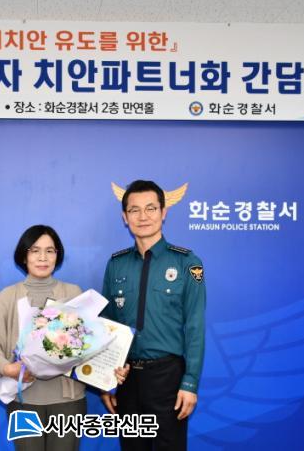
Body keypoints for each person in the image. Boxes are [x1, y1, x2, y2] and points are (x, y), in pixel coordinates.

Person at [100, 180, 206, 451]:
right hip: (126, 378)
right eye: (134, 210)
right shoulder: (116, 264)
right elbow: (107, 326)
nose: (143, 216)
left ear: (163, 212)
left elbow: (195, 327)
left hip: (167, 378)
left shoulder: (186, 262)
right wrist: (105, 382)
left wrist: (190, 383)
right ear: (125, 217)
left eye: (150, 208)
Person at [0, 224, 86, 451]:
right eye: (35, 250)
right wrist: (8, 368)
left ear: (57, 255)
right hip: (22, 401)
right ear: (24, 256)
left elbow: (90, 342)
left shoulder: (73, 294)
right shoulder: (7, 297)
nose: (43, 257)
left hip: (68, 401)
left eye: (50, 251)